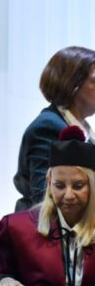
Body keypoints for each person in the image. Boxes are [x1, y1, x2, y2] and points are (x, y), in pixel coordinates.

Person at [0, 126, 95, 286]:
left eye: (78, 186)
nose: (68, 195)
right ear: (49, 182)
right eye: (59, 186)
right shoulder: (17, 229)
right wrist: (4, 279)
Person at [13, 46, 95, 211]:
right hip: (51, 234)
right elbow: (46, 199)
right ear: (73, 84)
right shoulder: (48, 128)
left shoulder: (81, 128)